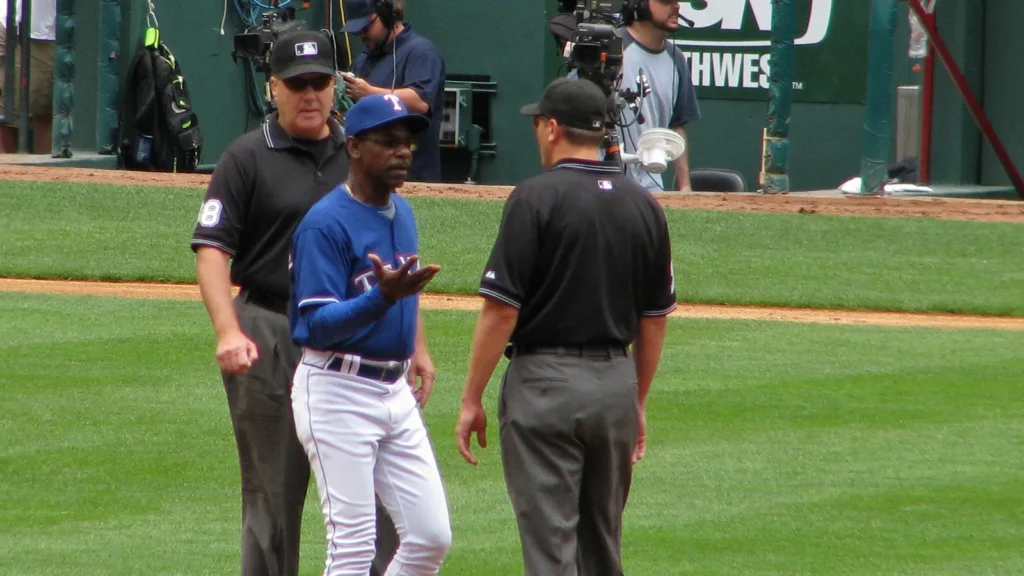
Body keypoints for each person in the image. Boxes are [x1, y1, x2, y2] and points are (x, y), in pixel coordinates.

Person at [190, 30, 396, 576]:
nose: (311, 95)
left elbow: (394, 254)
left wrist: (414, 344)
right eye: (298, 84)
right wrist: (227, 329)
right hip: (271, 330)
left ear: (336, 88)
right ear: (273, 87)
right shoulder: (246, 158)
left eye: (321, 83)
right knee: (272, 496)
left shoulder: (361, 153)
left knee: (379, 498)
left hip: (355, 335)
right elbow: (212, 250)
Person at [455, 77, 675, 576]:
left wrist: (472, 398)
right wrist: (636, 400)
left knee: (551, 550)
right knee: (602, 548)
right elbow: (654, 318)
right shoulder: (644, 205)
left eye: (538, 124)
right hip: (615, 386)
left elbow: (501, 309)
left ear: (552, 128)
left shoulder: (534, 198)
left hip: (545, 386)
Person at [288, 93, 452, 576]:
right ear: (355, 147)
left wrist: (417, 348)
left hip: (393, 390)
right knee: (353, 549)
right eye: (388, 142)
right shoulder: (324, 224)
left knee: (430, 538)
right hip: (336, 390)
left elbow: (402, 293)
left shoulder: (402, 211)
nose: (403, 152)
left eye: (408, 143)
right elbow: (314, 326)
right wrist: (381, 298)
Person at [339, 0, 446, 182]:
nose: (361, 35)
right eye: (357, 30)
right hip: (371, 177)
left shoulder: (421, 51)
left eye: (366, 27)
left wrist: (369, 92)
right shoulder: (364, 59)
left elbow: (420, 101)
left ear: (388, 16)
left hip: (413, 177)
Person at [618, 0, 701, 192]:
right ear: (639, 4)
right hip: (606, 182)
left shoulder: (676, 58)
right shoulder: (611, 48)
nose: (676, 6)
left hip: (651, 185)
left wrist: (685, 186)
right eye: (666, 1)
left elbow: (676, 126)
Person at [0, 0, 56, 153]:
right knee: (6, 113)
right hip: (9, 22)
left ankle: (41, 174)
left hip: (41, 31)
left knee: (41, 112)